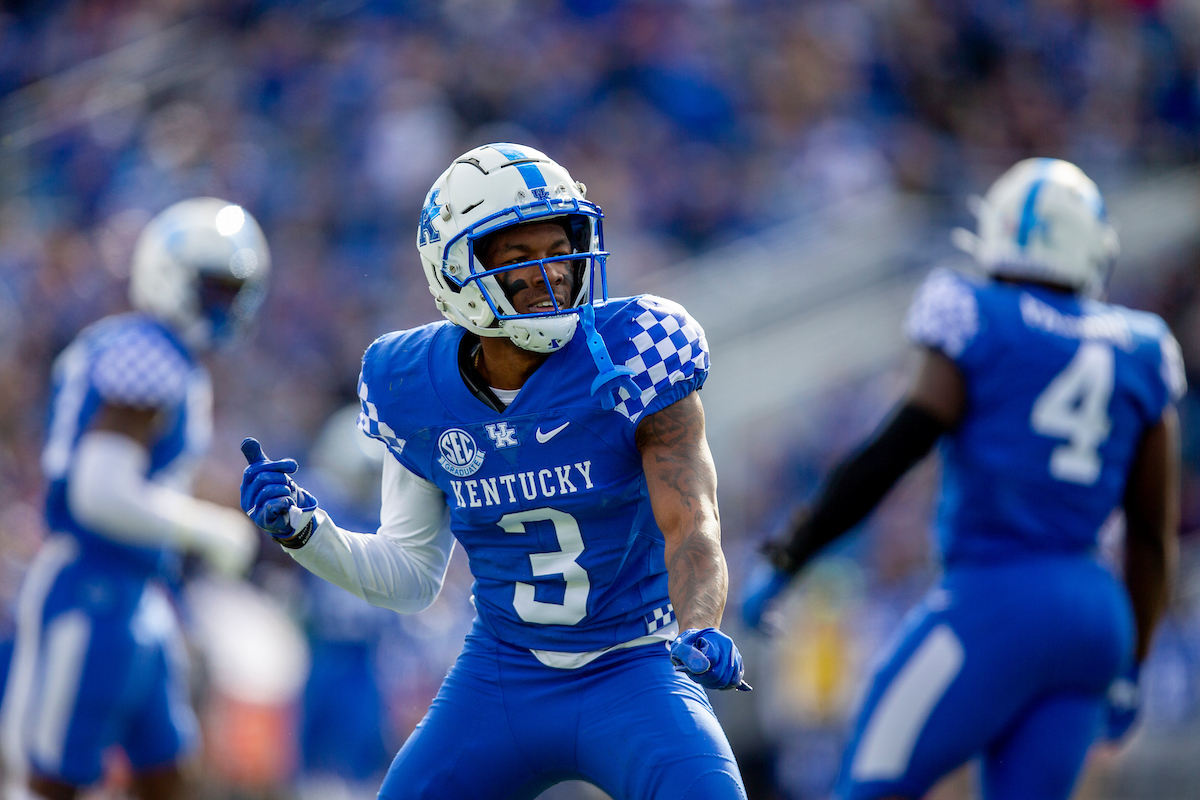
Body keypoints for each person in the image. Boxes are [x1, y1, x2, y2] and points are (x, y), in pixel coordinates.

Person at [238, 143, 750, 800]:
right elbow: (408, 577)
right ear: (457, 271)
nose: (553, 272)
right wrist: (306, 534)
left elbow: (693, 522)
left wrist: (701, 622)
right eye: (519, 258)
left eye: (560, 248)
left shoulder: (637, 351)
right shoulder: (409, 383)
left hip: (639, 664)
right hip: (504, 674)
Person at [742, 158, 1182, 800]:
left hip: (994, 600)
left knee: (864, 789)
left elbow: (897, 447)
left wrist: (791, 553)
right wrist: (1132, 665)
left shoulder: (976, 310)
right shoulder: (1143, 347)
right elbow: (1152, 535)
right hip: (1093, 618)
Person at [0, 198, 269, 800]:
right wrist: (208, 527)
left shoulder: (161, 353)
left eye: (235, 292)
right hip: (92, 589)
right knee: (51, 780)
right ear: (170, 275)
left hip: (138, 594)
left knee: (168, 773)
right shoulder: (146, 351)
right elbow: (101, 493)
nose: (225, 307)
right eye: (214, 289)